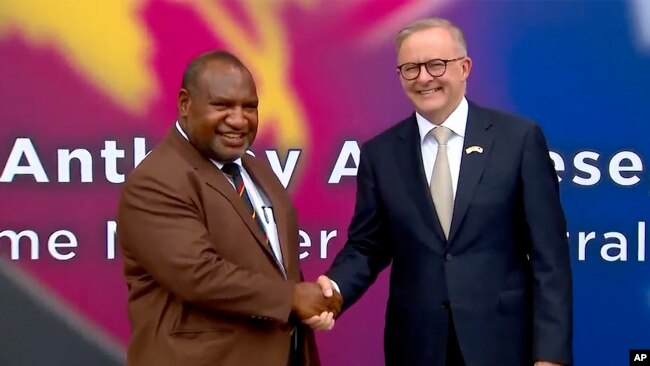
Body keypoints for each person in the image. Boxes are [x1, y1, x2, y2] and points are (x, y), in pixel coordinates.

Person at [313, 17, 573, 366]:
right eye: (411, 68)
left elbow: (550, 259)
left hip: (503, 343)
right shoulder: (380, 154)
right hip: (417, 346)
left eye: (436, 65)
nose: (423, 78)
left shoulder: (519, 140)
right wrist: (333, 291)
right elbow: (367, 246)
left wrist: (550, 356)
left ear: (465, 67)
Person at [117, 50, 341, 366]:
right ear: (185, 105)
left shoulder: (254, 168)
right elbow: (199, 275)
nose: (238, 120)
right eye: (222, 105)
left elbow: (275, 263)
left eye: (249, 107)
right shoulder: (157, 179)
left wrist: (315, 303)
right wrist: (292, 298)